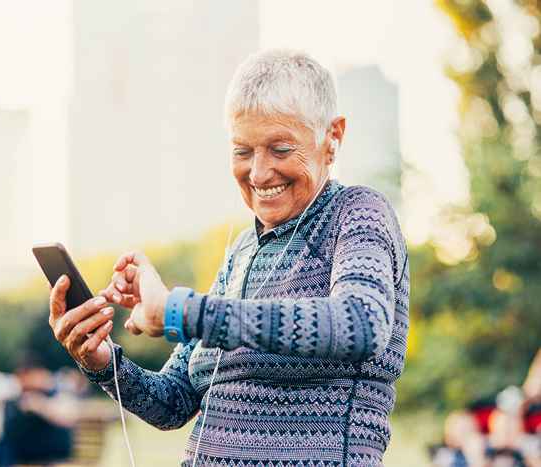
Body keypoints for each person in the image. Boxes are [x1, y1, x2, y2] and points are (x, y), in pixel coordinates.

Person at [49, 49, 410, 466]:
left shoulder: (358, 212)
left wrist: (177, 310)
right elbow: (174, 402)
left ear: (333, 137)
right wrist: (99, 359)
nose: (258, 173)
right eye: (242, 151)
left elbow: (360, 324)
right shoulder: (240, 252)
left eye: (279, 149)